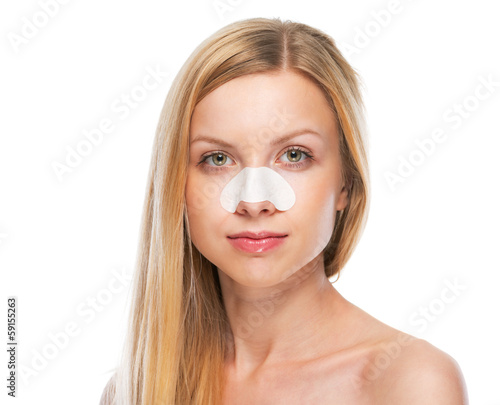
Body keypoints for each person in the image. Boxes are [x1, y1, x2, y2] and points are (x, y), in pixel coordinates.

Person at [100, 17, 468, 404]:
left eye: (294, 155)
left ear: (345, 182)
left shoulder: (408, 382)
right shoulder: (135, 390)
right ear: (176, 184)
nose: (254, 201)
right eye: (217, 158)